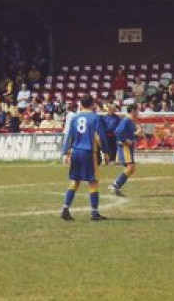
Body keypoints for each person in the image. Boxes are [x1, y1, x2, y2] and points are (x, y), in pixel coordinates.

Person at [59, 94, 109, 222]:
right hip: (89, 152)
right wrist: (106, 152)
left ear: (81, 104)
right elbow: (101, 135)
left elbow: (69, 135)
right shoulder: (95, 118)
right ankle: (94, 212)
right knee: (93, 181)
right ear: (92, 104)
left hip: (76, 152)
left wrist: (65, 152)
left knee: (75, 181)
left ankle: (65, 208)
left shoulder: (75, 118)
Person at [111, 104, 140, 196]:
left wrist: (136, 133)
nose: (138, 112)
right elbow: (118, 132)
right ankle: (116, 184)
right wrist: (125, 141)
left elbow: (130, 134)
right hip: (124, 147)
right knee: (130, 167)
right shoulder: (126, 120)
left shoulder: (131, 121)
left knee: (131, 168)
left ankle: (117, 185)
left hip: (128, 147)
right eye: (137, 110)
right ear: (132, 111)